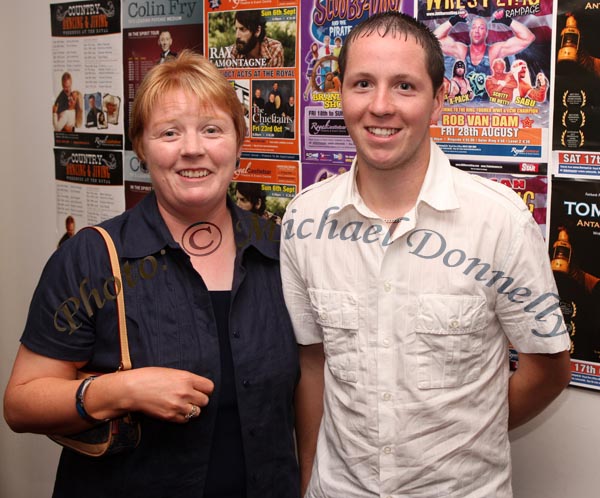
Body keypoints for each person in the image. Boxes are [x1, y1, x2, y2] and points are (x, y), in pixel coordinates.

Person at [280, 12, 571, 498]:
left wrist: (465, 438)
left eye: (405, 87)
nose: (380, 106)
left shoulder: (501, 222)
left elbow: (548, 369)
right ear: (341, 92)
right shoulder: (303, 221)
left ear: (438, 101)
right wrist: (310, 478)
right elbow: (313, 364)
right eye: (362, 83)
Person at [5, 50, 300, 498]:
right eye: (169, 133)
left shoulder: (280, 251)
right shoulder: (93, 257)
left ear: (239, 142)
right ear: (142, 147)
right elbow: (21, 404)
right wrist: (119, 390)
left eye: (212, 130)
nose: (192, 149)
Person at [434, 9, 535, 77]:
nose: (477, 31)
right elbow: (434, 39)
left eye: (481, 28)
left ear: (486, 33)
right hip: (465, 105)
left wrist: (507, 21)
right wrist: (454, 20)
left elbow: (528, 38)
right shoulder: (462, 51)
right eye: (474, 27)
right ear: (470, 32)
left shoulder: (494, 51)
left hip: (489, 106)